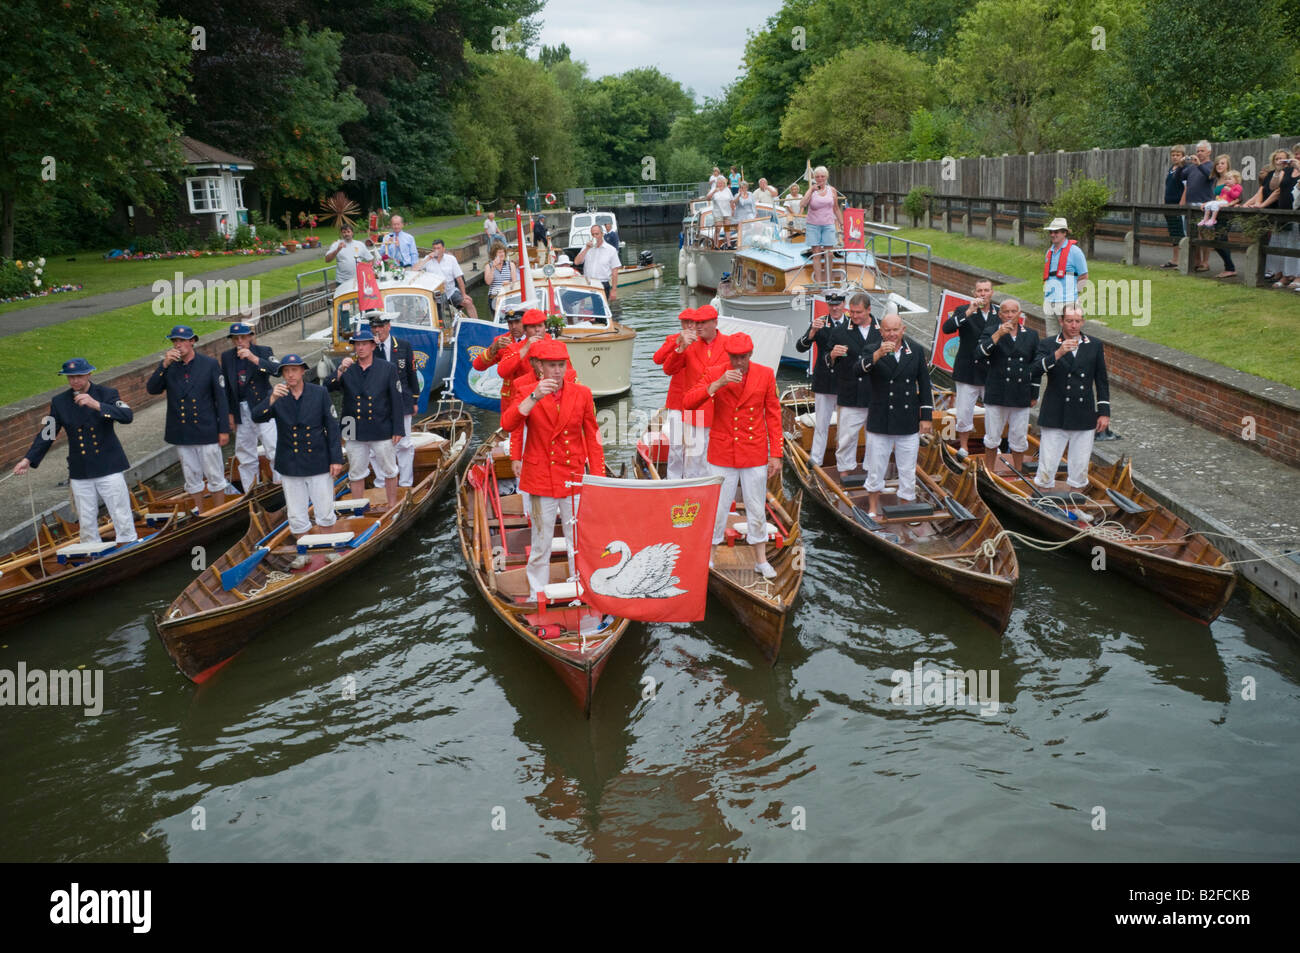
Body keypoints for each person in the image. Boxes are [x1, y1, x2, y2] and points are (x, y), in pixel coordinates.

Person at [500, 338, 605, 598]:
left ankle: (580, 586)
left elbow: (593, 436)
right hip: (540, 478)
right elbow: (509, 424)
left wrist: (599, 477)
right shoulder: (526, 392)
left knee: (579, 540)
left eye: (561, 365)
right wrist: (535, 396)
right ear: (540, 368)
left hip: (574, 476)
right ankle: (539, 592)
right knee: (541, 541)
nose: (557, 370)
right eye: (552, 366)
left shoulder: (582, 393)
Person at [682, 333, 782, 580]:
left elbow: (773, 415)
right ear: (728, 356)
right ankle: (710, 556)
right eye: (734, 357)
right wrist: (717, 385)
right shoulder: (716, 372)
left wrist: (776, 454)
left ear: (750, 355)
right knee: (716, 509)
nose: (738, 362)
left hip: (754, 451)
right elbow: (688, 402)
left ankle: (760, 560)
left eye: (742, 357)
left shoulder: (765, 374)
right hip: (722, 452)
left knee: (757, 507)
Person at [13, 358, 137, 545]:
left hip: (108, 465)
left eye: (79, 376)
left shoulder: (107, 394)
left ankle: (128, 544)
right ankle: (91, 551)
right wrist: (28, 459)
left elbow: (127, 416)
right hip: (81, 468)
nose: (74, 381)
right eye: (70, 377)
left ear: (89, 374)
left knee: (120, 511)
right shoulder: (59, 401)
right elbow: (47, 433)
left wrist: (96, 405)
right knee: (86, 517)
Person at [250, 354, 344, 539]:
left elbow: (332, 428)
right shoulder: (277, 395)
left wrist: (336, 459)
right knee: (295, 512)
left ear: (302, 371)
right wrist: (271, 400)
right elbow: (256, 416)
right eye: (286, 371)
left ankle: (328, 547)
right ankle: (303, 553)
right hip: (290, 462)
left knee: (324, 508)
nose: (290, 375)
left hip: (318, 460)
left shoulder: (319, 393)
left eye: (294, 370)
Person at [146, 325, 234, 510]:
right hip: (182, 431)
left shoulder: (209, 364)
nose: (178, 345)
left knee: (214, 473)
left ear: (192, 341)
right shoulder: (168, 367)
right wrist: (163, 365)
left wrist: (224, 429)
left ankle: (218, 510)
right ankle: (201, 511)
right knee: (191, 475)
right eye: (175, 341)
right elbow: (152, 389)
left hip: (207, 429)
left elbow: (221, 398)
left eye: (182, 340)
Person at [861, 312, 933, 519]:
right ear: (881, 331)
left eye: (895, 330)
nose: (892, 334)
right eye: (887, 330)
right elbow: (859, 370)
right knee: (876, 467)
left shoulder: (916, 351)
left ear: (903, 330)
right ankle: (873, 507)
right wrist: (877, 355)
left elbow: (924, 385)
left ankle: (906, 505)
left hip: (907, 419)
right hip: (880, 419)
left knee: (908, 468)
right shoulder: (871, 349)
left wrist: (926, 417)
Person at [326, 327, 403, 510]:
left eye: (363, 344)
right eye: (357, 345)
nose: (360, 348)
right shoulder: (347, 369)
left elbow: (396, 400)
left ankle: (392, 505)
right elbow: (327, 386)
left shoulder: (387, 368)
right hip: (353, 427)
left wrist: (398, 429)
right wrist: (339, 371)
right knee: (355, 471)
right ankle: (358, 509)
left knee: (389, 469)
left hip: (381, 425)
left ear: (372, 346)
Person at [1034, 304, 1110, 490]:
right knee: (1047, 465)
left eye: (1077, 321)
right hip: (1055, 412)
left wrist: (1104, 412)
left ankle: (1077, 505)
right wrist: (1058, 353)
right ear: (1061, 321)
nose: (1074, 325)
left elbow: (1101, 380)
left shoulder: (1094, 345)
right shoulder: (1048, 344)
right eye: (1069, 321)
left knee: (1080, 466)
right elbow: (1034, 370)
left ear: (1083, 322)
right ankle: (1044, 502)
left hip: (1083, 414)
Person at [662, 304, 730, 478]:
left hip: (722, 411)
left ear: (715, 322)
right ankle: (690, 496)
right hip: (696, 410)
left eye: (703, 322)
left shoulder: (729, 344)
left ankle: (715, 495)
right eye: (696, 322)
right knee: (693, 459)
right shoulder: (689, 345)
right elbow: (668, 369)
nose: (698, 326)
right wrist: (680, 348)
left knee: (716, 459)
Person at [977, 299, 1040, 477]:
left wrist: (1034, 393)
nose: (1010, 315)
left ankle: (1018, 470)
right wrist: (997, 335)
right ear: (1000, 314)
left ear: (1019, 314)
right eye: (1006, 312)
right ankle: (989, 470)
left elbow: (1036, 367)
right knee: (992, 435)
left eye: (1013, 312)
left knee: (1019, 435)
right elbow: (979, 354)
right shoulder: (991, 331)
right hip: (997, 391)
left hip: (1021, 393)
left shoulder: (1031, 335)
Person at [941, 278, 998, 458]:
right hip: (968, 370)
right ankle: (964, 446)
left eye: (986, 290)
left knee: (994, 412)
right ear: (974, 293)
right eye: (979, 291)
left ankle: (993, 446)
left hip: (991, 371)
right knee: (964, 411)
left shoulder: (999, 314)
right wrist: (968, 311)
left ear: (992, 293)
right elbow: (947, 328)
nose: (983, 294)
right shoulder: (963, 311)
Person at [220, 322, 280, 493]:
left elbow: (277, 370)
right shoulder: (226, 357)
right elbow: (227, 389)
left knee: (273, 447)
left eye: (243, 337)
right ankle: (250, 490)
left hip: (263, 406)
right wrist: (229, 414)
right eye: (235, 338)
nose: (239, 341)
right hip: (240, 408)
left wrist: (254, 359)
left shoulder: (264, 351)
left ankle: (281, 482)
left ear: (250, 337)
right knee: (245, 453)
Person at [828, 293, 881, 476]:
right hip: (850, 391)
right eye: (852, 312)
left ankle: (871, 471)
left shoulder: (882, 330)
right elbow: (827, 360)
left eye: (859, 312)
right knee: (846, 438)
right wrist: (833, 355)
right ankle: (844, 471)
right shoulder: (840, 331)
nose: (854, 316)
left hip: (875, 393)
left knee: (875, 438)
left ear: (869, 310)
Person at [794, 291, 849, 468]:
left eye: (838, 304)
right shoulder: (819, 323)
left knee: (846, 427)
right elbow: (800, 347)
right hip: (825, 381)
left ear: (844, 304)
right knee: (821, 424)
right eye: (831, 304)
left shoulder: (852, 324)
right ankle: (816, 460)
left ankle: (844, 463)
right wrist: (812, 332)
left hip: (845, 383)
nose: (834, 308)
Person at [367, 311, 420, 488]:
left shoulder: (403, 345)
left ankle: (405, 483)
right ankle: (382, 482)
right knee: (376, 447)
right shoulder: (369, 349)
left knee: (404, 444)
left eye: (380, 326)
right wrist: (373, 349)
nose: (377, 330)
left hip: (402, 401)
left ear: (388, 326)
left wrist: (414, 400)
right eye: (373, 327)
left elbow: (412, 374)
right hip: (377, 404)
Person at [654, 308, 697, 480]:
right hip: (677, 402)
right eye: (685, 322)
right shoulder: (674, 339)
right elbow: (657, 359)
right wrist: (677, 343)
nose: (688, 326)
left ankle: (691, 479)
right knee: (676, 445)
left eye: (692, 322)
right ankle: (673, 479)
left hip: (698, 402)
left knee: (695, 447)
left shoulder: (704, 343)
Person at [1243, 149, 1293, 283]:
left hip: (1282, 209)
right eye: (1277, 159)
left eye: (1282, 159)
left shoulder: (1289, 174)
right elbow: (1264, 189)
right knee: (1274, 242)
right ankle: (1276, 271)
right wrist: (1258, 204)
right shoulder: (1271, 174)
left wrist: (1262, 205)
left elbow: (1278, 191)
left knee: (1286, 244)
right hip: (1270, 212)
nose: (1279, 161)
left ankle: (1286, 274)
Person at [1040, 217, 1088, 336]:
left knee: (1071, 336)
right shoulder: (1049, 252)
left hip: (1068, 302)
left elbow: (1084, 276)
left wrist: (1073, 296)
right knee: (1051, 338)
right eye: (1051, 232)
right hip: (1049, 302)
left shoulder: (1075, 251)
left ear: (1064, 233)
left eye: (1056, 232)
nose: (1053, 234)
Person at [800, 166, 843, 286]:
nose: (820, 179)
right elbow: (802, 204)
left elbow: (836, 208)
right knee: (817, 253)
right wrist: (811, 191)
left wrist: (842, 223)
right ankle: (819, 282)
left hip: (828, 224)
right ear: (814, 178)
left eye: (822, 176)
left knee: (829, 253)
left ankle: (828, 280)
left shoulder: (832, 190)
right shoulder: (811, 191)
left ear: (826, 177)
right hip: (813, 225)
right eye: (817, 176)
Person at [1178, 140, 1215, 273]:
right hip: (1190, 204)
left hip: (1203, 204)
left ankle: (1205, 262)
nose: (1199, 153)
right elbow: (1181, 176)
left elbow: (1210, 177)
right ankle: (1197, 261)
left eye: (1202, 151)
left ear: (1209, 152)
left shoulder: (1211, 165)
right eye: (1198, 151)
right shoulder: (1192, 167)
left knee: (1205, 234)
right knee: (1192, 234)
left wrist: (1199, 165)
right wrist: (1181, 165)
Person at [418, 239, 479, 318]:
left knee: (468, 302)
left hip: (450, 291)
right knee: (430, 311)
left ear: (443, 249)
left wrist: (464, 294)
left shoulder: (451, 259)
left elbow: (459, 278)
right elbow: (414, 269)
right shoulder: (428, 259)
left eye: (438, 248)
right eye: (434, 248)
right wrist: (427, 259)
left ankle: (476, 324)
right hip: (435, 294)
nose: (436, 250)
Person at [1202, 155, 1239, 276]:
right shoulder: (1216, 180)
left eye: (1222, 163)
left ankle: (1230, 268)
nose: (1219, 165)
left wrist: (1229, 205)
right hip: (1216, 213)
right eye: (1217, 163)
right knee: (1221, 240)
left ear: (1227, 165)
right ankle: (1229, 268)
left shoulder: (1231, 179)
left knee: (1219, 240)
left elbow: (1238, 197)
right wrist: (1207, 203)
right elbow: (1216, 198)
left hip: (1226, 214)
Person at [573, 224, 620, 301]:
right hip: (587, 283)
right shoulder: (586, 247)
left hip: (602, 283)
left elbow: (615, 271)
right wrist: (586, 249)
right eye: (593, 234)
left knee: (600, 309)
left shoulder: (611, 250)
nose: (595, 236)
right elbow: (576, 262)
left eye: (597, 234)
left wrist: (614, 290)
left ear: (602, 234)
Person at [1161, 146, 1188, 269]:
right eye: (1173, 155)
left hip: (1178, 204)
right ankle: (1175, 259)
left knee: (1180, 231)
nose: (1175, 157)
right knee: (1173, 231)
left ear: (1183, 155)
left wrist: (1181, 204)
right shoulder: (1171, 169)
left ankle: (1182, 259)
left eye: (1178, 154)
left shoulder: (1185, 169)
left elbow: (1186, 188)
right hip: (1169, 203)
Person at [484, 244, 517, 314]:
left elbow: (515, 283)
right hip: (494, 296)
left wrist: (509, 284)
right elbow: (488, 282)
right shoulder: (488, 266)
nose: (502, 254)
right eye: (499, 252)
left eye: (503, 252)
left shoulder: (510, 265)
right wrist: (493, 267)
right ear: (494, 255)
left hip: (507, 295)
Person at [707, 174, 734, 245]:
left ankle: (728, 244)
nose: (720, 184)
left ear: (724, 183)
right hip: (718, 212)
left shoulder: (727, 190)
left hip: (727, 212)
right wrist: (714, 192)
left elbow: (731, 201)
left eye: (721, 182)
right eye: (718, 182)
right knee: (718, 229)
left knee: (727, 229)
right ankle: (715, 244)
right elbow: (708, 198)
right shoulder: (714, 189)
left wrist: (733, 210)